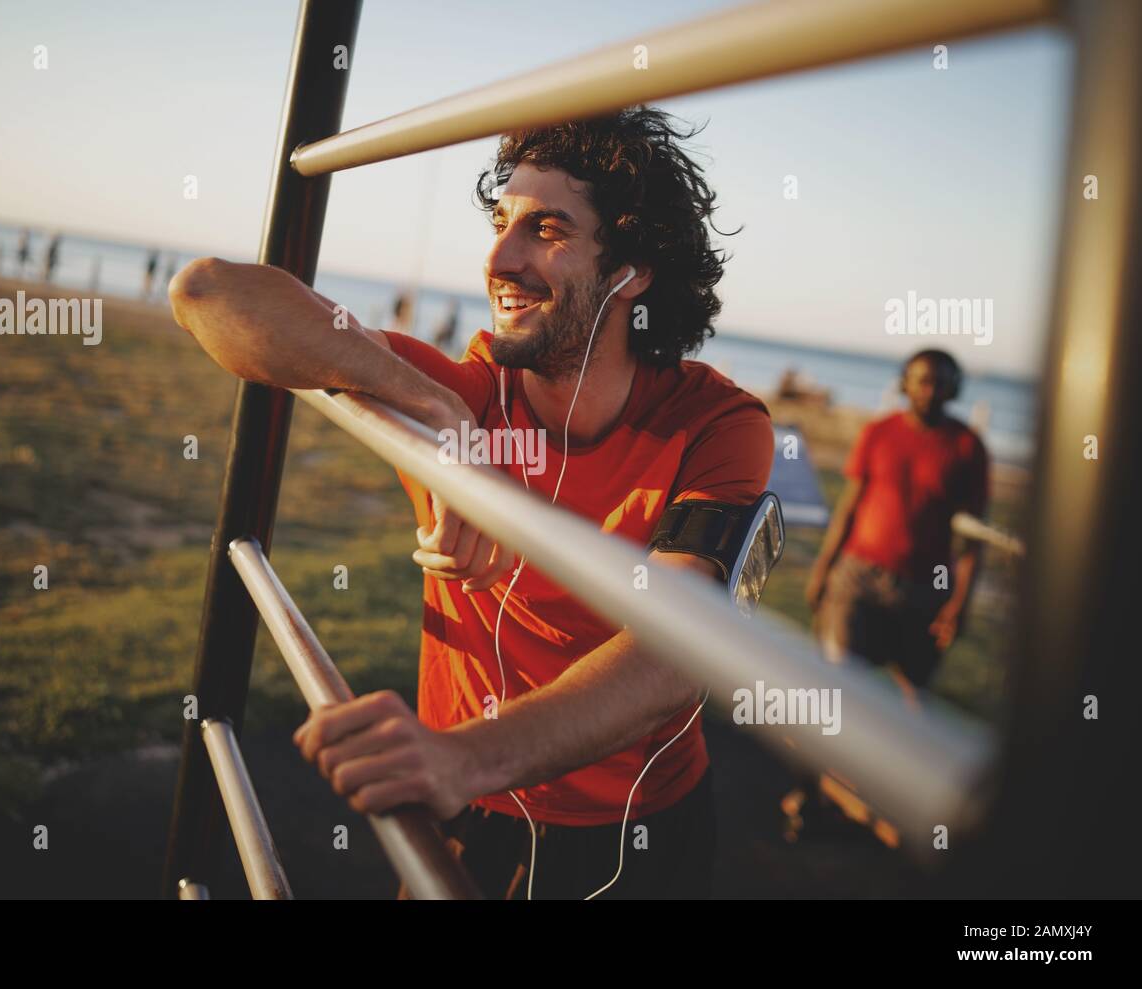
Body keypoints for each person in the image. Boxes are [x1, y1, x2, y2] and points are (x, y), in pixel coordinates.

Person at [168, 107, 773, 899]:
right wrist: (444, 419)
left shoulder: (718, 426)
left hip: (633, 826)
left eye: (547, 229)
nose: (500, 258)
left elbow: (675, 650)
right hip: (466, 805)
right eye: (501, 222)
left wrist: (464, 756)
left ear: (632, 270)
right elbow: (207, 293)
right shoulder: (464, 393)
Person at [807, 348, 990, 702]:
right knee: (837, 685)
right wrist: (824, 568)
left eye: (941, 383)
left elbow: (973, 536)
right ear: (905, 383)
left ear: (955, 389)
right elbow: (849, 507)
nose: (930, 390)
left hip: (927, 588)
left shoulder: (968, 446)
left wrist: (960, 603)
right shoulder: (878, 432)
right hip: (858, 576)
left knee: (913, 697)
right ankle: (827, 759)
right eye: (922, 381)